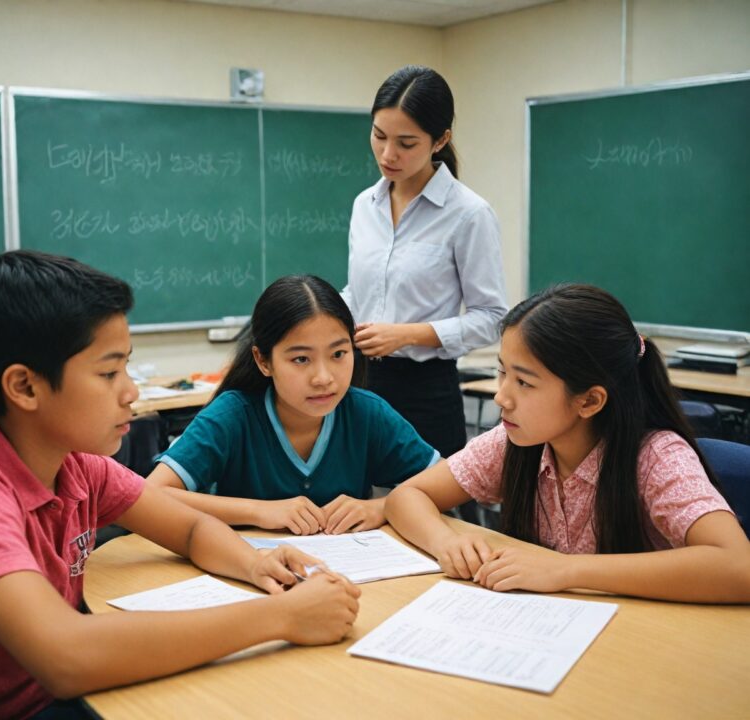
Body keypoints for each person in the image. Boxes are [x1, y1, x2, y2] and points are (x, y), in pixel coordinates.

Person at [0, 251, 361, 720]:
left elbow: (187, 531)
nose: (132, 391)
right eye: (110, 371)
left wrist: (257, 564)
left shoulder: (75, 465)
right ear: (25, 386)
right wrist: (280, 617)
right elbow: (67, 656)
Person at [385, 284, 750, 604]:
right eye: (502, 372)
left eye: (524, 383)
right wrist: (445, 543)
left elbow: (738, 567)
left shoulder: (657, 457)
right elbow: (407, 496)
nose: (501, 397)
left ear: (589, 401)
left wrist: (566, 570)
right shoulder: (515, 441)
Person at [147, 274, 440, 536]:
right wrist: (259, 511)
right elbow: (151, 495)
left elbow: (446, 482)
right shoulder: (233, 415)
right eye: (301, 359)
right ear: (263, 361)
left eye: (338, 354)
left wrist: (382, 507)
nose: (324, 378)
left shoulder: (366, 413)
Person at [342, 64, 507, 463]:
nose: (387, 154)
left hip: (425, 392)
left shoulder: (469, 214)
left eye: (406, 143)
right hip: (357, 381)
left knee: (424, 511)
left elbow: (492, 317)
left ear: (440, 140)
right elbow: (357, 293)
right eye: (379, 136)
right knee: (357, 506)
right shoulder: (365, 204)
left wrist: (408, 334)